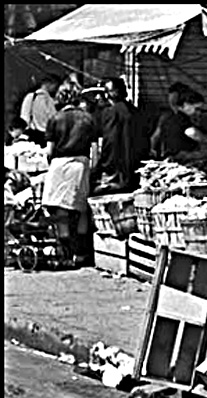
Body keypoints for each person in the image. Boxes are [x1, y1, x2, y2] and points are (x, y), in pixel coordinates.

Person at [41, 81, 97, 267]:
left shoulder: (55, 119)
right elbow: (96, 149)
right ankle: (81, 253)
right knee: (80, 208)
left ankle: (65, 252)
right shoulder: (88, 119)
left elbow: (49, 151)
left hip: (59, 165)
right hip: (80, 164)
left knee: (60, 209)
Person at [93, 77, 149, 194]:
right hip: (134, 173)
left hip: (116, 175)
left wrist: (102, 167)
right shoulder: (136, 112)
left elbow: (109, 143)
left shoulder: (110, 113)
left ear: (107, 95)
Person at [157, 88, 207, 160]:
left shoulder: (168, 116)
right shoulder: (181, 118)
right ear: (186, 104)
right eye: (196, 108)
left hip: (168, 153)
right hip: (180, 154)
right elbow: (191, 132)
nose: (198, 112)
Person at [149, 82, 191, 158]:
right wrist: (152, 148)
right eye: (171, 97)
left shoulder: (189, 115)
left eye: (175, 97)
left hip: (186, 157)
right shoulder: (165, 116)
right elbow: (156, 135)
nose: (172, 100)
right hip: (168, 156)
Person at [19, 73, 60, 147]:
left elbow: (24, 117)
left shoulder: (30, 97)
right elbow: (54, 120)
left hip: (31, 134)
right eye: (55, 86)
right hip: (46, 137)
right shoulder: (50, 101)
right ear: (48, 84)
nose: (56, 89)